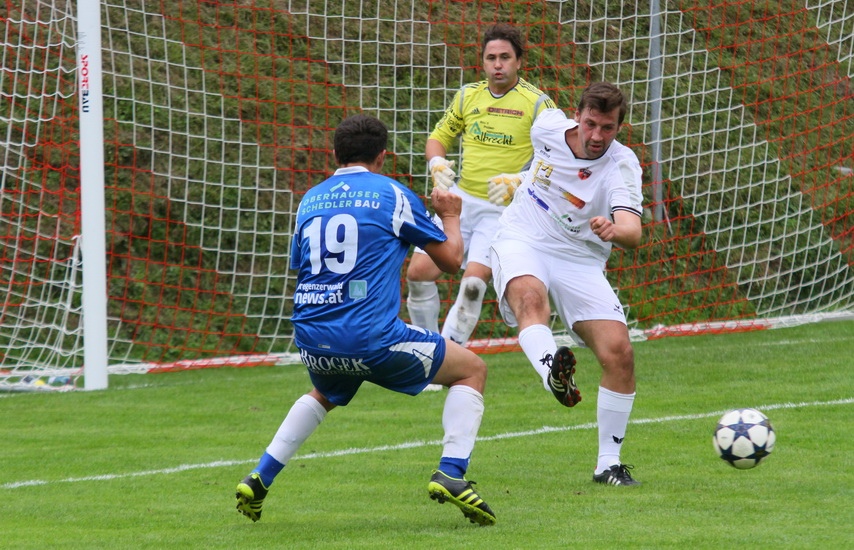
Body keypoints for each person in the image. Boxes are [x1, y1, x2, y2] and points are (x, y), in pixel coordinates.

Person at [235, 114, 496, 526]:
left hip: (311, 335)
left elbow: (301, 265)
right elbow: (450, 261)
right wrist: (450, 215)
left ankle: (259, 477)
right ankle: (452, 472)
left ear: (334, 154)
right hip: (369, 336)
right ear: (382, 156)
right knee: (472, 370)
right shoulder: (392, 194)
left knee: (326, 392)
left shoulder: (310, 199)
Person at [489, 82, 644, 486]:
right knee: (530, 299)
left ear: (619, 128)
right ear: (577, 116)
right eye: (591, 124)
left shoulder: (621, 165)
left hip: (580, 257)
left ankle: (608, 464)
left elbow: (633, 231)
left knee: (619, 353)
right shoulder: (547, 128)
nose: (597, 136)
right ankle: (551, 373)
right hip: (524, 236)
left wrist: (614, 229)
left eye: (607, 128)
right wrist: (516, 178)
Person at [406, 23, 556, 357]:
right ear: (483, 62)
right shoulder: (467, 96)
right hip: (458, 203)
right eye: (491, 58)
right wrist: (436, 162)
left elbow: (555, 159)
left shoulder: (538, 104)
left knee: (473, 285)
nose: (498, 64)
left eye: (505, 57)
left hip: (502, 211)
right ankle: (425, 352)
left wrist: (520, 180)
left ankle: (443, 360)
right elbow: (438, 138)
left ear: (519, 61)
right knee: (417, 273)